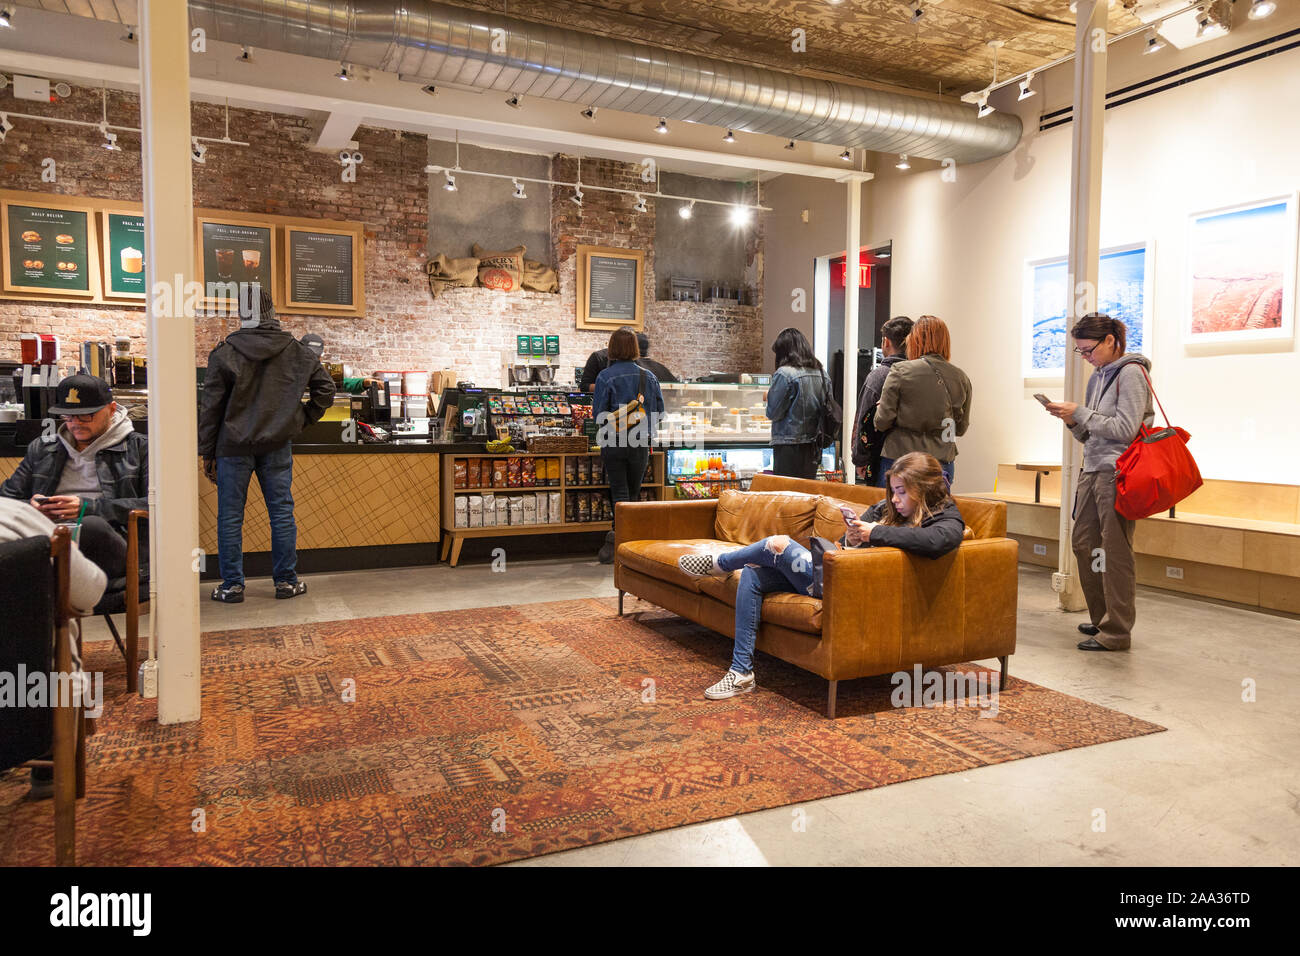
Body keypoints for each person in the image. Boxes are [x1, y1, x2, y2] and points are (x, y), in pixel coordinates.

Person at [678, 452, 965, 700]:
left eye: (902, 491)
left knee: (777, 544)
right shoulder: (886, 508)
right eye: (892, 490)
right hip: (832, 575)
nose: (894, 498)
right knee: (753, 573)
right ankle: (741, 673)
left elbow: (936, 542)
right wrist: (854, 535)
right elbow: (846, 544)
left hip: (850, 588)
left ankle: (721, 564)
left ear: (924, 488)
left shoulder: (946, 518)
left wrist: (874, 532)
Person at [198, 286, 336, 603]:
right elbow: (325, 390)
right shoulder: (297, 350)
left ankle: (232, 586)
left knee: (230, 517)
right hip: (277, 444)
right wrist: (300, 419)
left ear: (242, 315)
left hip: (232, 447)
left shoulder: (224, 353)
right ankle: (286, 582)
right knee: (282, 514)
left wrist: (207, 452)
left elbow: (211, 410)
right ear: (273, 312)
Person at [1043, 312, 1153, 652]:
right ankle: (1102, 616)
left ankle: (1117, 631)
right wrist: (1073, 421)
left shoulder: (1132, 373)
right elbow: (1092, 432)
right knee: (1083, 542)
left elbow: (1124, 429)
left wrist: (1082, 412)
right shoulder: (1098, 377)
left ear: (1110, 341)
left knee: (1115, 551)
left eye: (1088, 350)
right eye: (1080, 352)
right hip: (1092, 469)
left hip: (1118, 472)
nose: (1086, 357)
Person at [1, 496, 109, 801]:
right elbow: (91, 592)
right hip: (24, 702)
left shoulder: (132, 449)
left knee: (96, 528)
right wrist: (69, 551)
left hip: (101, 528)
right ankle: (50, 757)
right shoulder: (14, 515)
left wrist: (89, 506)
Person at [1, 373, 147, 583]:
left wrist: (87, 507)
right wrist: (31, 508)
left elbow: (156, 504)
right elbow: (6, 500)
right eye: (68, 416)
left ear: (112, 409)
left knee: (90, 527)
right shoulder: (43, 448)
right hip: (48, 537)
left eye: (86, 415)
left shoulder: (139, 448)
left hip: (111, 541)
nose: (75, 423)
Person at [592, 327, 665, 564]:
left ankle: (618, 544)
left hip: (613, 441)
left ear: (612, 348)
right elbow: (660, 412)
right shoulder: (649, 377)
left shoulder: (605, 376)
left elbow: (598, 415)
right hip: (640, 442)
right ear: (635, 348)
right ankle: (632, 546)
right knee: (634, 491)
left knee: (619, 492)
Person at [873, 315, 971, 487]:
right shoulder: (961, 378)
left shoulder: (900, 371)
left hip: (901, 462)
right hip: (942, 464)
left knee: (894, 512)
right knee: (937, 513)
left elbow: (881, 422)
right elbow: (960, 428)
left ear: (915, 340)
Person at [851, 315, 913, 487]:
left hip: (883, 459)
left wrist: (860, 458)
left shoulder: (879, 376)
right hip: (916, 459)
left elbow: (864, 419)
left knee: (885, 510)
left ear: (886, 342)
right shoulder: (919, 375)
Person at [766, 327, 830, 480]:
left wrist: (769, 396)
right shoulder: (822, 374)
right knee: (805, 494)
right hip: (813, 445)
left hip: (789, 446)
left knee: (787, 495)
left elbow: (773, 412)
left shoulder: (784, 373)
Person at [580, 331, 677, 391]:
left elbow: (599, 411)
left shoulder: (606, 377)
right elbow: (660, 408)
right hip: (645, 422)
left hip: (614, 422)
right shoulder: (650, 375)